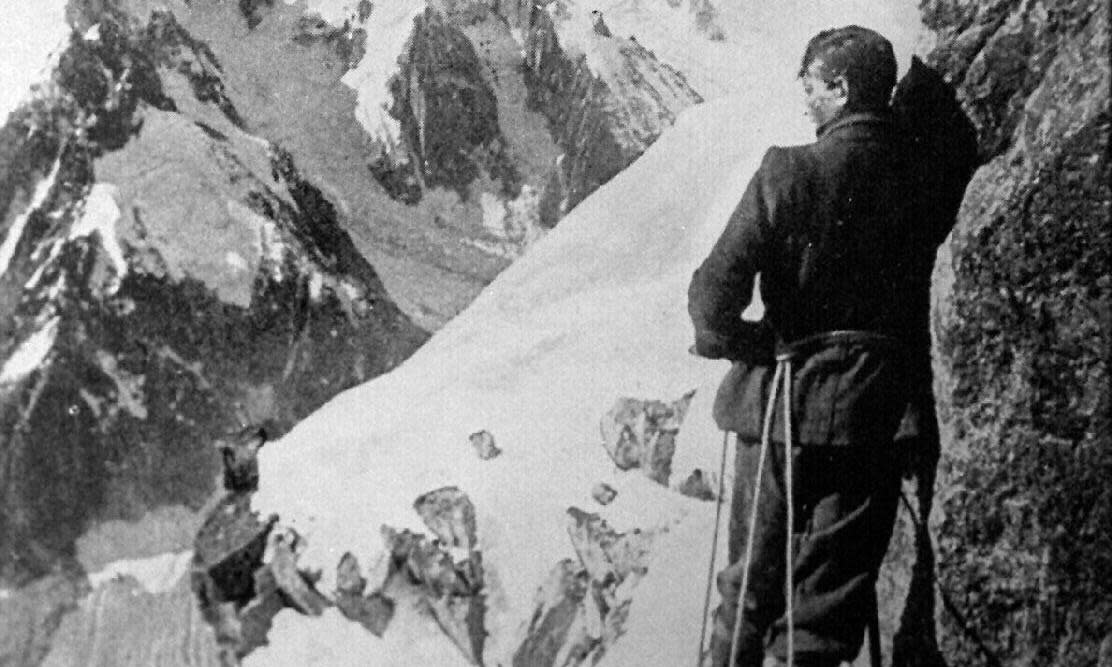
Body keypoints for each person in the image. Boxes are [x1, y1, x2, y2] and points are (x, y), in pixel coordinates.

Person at [688, 26, 975, 667]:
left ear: (840, 89)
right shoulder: (924, 179)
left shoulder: (786, 172)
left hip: (781, 404)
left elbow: (711, 300)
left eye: (813, 88)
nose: (808, 103)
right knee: (825, 610)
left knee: (748, 593)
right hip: (872, 412)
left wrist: (751, 344)